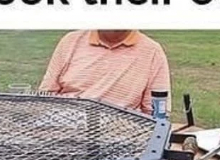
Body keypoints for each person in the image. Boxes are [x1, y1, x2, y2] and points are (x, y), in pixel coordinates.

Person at [39, 30, 171, 115]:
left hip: (120, 137)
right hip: (64, 131)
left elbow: (156, 112)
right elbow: (45, 97)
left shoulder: (152, 51)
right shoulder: (71, 41)